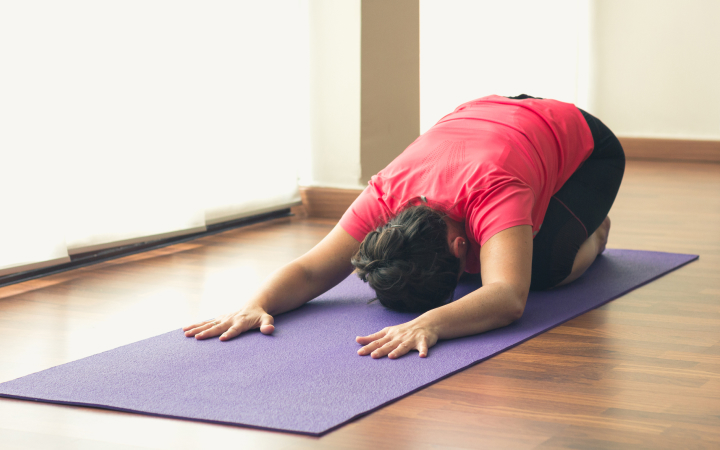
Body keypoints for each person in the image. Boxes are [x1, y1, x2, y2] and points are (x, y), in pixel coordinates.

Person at [183, 94, 625, 360]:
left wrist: (430, 322)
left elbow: (509, 299)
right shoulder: (385, 194)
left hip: (585, 144)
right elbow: (312, 270)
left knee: (544, 271)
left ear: (458, 245)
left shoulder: (495, 191)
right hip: (493, 118)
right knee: (495, 266)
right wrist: (256, 303)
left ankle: (595, 229)